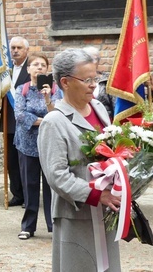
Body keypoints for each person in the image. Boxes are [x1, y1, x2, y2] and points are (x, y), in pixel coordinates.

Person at [38, 48, 121, 271]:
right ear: (65, 82)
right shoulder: (54, 122)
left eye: (95, 78)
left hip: (106, 212)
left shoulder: (99, 107)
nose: (94, 84)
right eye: (87, 79)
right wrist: (95, 194)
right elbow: (57, 176)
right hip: (77, 216)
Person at [14, 52, 61, 240]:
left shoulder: (56, 89)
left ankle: (53, 225)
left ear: (47, 69)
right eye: (35, 64)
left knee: (51, 185)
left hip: (49, 144)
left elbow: (57, 112)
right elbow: (20, 115)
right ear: (28, 69)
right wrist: (46, 121)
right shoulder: (21, 89)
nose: (39, 67)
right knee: (29, 184)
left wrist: (48, 98)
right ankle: (28, 226)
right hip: (27, 144)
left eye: (43, 65)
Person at [4, 36, 30, 207]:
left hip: (28, 122)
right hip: (9, 121)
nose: (15, 51)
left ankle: (29, 195)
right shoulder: (5, 71)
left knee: (25, 162)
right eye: (12, 47)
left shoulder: (34, 67)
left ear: (26, 50)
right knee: (11, 160)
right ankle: (17, 194)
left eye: (19, 47)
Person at [83, 46, 115, 120]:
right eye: (88, 58)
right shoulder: (76, 79)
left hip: (105, 121)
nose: (92, 61)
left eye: (95, 58)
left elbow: (115, 105)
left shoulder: (107, 80)